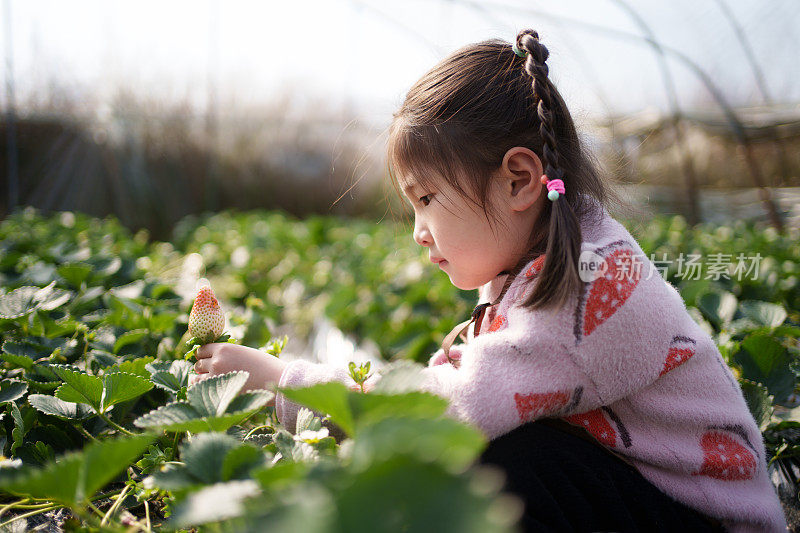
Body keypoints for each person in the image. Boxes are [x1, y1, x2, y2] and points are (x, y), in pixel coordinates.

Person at [189, 30, 787, 532]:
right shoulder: (548, 258)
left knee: (507, 467)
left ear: (520, 180)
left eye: (426, 199)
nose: (419, 230)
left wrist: (283, 382)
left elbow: (443, 411)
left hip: (712, 523)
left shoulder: (591, 293)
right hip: (654, 499)